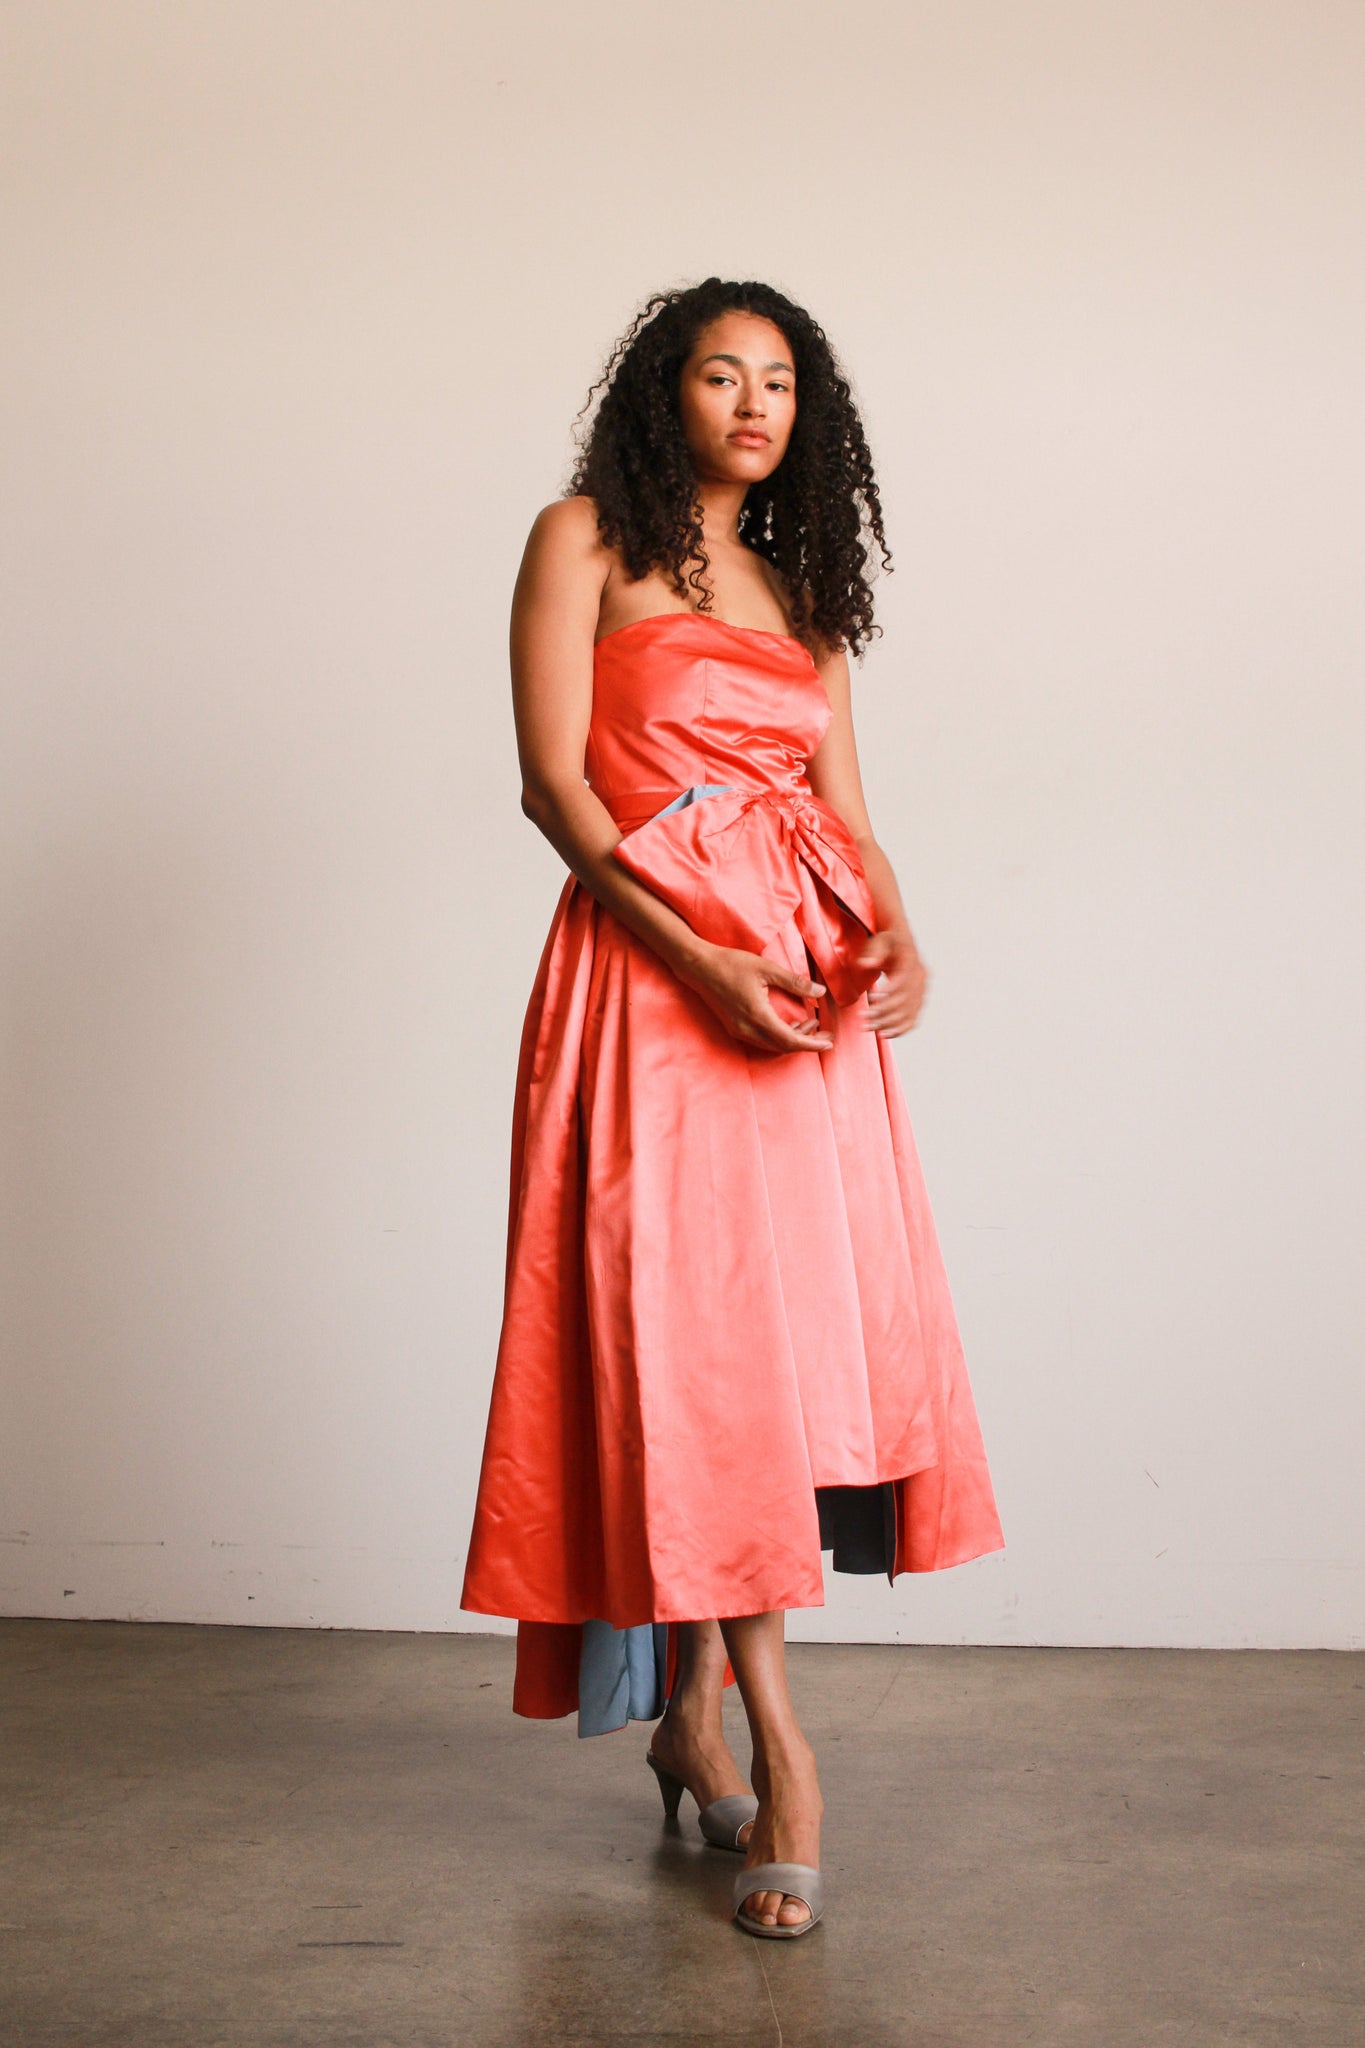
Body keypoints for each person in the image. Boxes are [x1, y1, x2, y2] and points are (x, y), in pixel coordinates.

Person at [460, 277, 1005, 1939]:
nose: (753, 404)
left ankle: (695, 1720)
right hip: (653, 987)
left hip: (810, 1008)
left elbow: (849, 807)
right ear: (662, 394)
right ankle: (783, 1754)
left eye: (779, 381)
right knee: (689, 1354)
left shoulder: (802, 585)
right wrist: (697, 959)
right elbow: (556, 784)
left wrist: (902, 934)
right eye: (720, 374)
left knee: (776, 1360)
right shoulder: (582, 542)